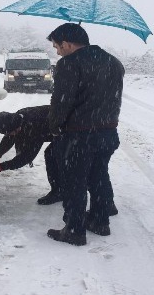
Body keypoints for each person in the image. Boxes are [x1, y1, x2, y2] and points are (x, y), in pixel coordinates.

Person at [45, 23, 124, 246]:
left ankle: (74, 229)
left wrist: (55, 126)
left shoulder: (68, 64)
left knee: (74, 182)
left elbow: (62, 101)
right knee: (98, 175)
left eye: (57, 46)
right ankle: (100, 221)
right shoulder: (114, 62)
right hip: (108, 132)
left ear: (67, 44)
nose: (57, 51)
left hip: (79, 135)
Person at [0, 106, 61, 205]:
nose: (12, 134)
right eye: (8, 133)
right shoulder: (17, 119)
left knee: (52, 154)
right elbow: (10, 138)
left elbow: (26, 157)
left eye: (13, 131)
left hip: (71, 129)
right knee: (52, 153)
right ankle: (61, 189)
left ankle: (59, 192)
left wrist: (1, 167)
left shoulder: (33, 126)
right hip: (61, 126)